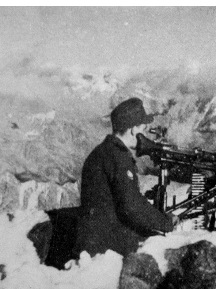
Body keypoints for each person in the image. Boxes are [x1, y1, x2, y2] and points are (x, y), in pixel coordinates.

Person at [74, 97, 175, 257]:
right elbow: (131, 207)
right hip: (106, 246)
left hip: (97, 239)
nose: (145, 133)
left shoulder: (104, 151)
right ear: (134, 130)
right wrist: (166, 223)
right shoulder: (118, 156)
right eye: (143, 128)